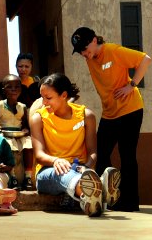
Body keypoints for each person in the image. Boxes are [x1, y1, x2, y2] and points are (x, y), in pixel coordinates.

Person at [71, 27, 150, 212]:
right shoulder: (91, 58)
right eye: (80, 51)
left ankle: (130, 202)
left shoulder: (113, 51)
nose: (84, 53)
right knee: (101, 153)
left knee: (127, 154)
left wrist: (131, 85)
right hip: (110, 113)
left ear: (94, 40)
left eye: (85, 48)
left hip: (130, 110)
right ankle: (106, 195)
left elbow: (145, 59)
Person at [30, 73, 121, 217]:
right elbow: (39, 155)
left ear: (64, 95)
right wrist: (56, 160)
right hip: (48, 172)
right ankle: (99, 190)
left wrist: (87, 165)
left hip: (80, 169)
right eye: (42, 97)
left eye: (48, 98)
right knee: (61, 173)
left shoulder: (86, 115)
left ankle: (91, 197)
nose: (44, 102)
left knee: (76, 173)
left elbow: (92, 152)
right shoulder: (38, 118)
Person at [0, 74, 33, 190]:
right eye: (10, 87)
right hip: (4, 134)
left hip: (19, 135)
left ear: (21, 89)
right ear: (3, 90)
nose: (14, 90)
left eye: (17, 87)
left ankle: (28, 176)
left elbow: (25, 125)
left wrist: (26, 130)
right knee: (9, 146)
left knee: (29, 144)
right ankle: (13, 176)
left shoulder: (22, 107)